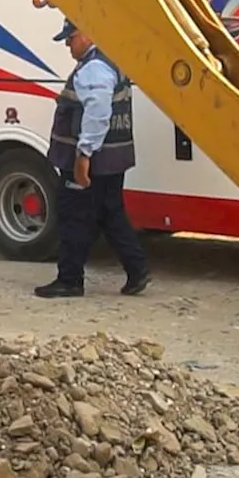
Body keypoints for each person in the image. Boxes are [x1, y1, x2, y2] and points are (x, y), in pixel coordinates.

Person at [34, 17, 150, 298]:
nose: (67, 45)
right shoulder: (109, 61)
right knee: (111, 214)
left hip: (93, 161)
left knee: (74, 216)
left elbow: (98, 113)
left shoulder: (94, 68)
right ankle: (137, 270)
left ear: (86, 34)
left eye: (70, 38)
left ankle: (70, 280)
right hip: (113, 159)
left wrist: (83, 155)